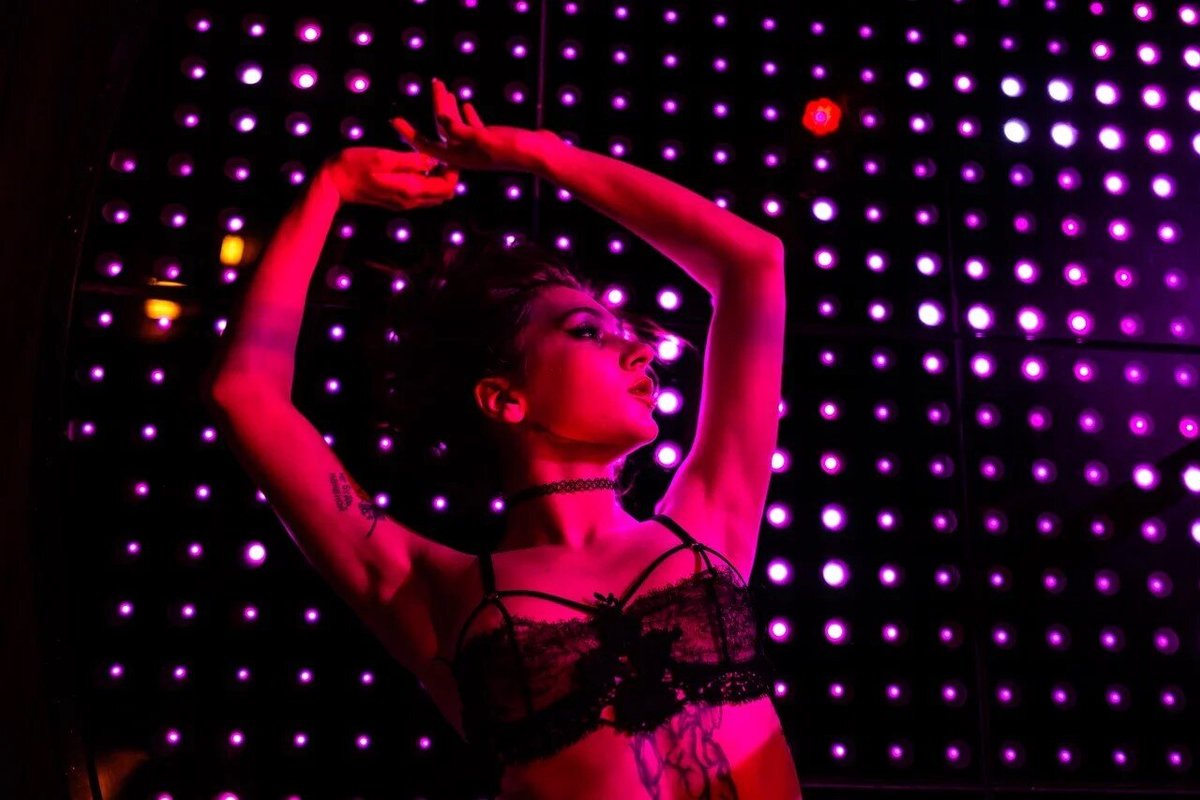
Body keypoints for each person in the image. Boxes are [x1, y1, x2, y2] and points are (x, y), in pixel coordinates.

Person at [205, 76, 799, 799]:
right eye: (588, 332)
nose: (640, 350)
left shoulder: (708, 519)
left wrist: (542, 154)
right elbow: (244, 396)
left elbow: (752, 261)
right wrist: (328, 189)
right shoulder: (432, 590)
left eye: (626, 333)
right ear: (504, 398)